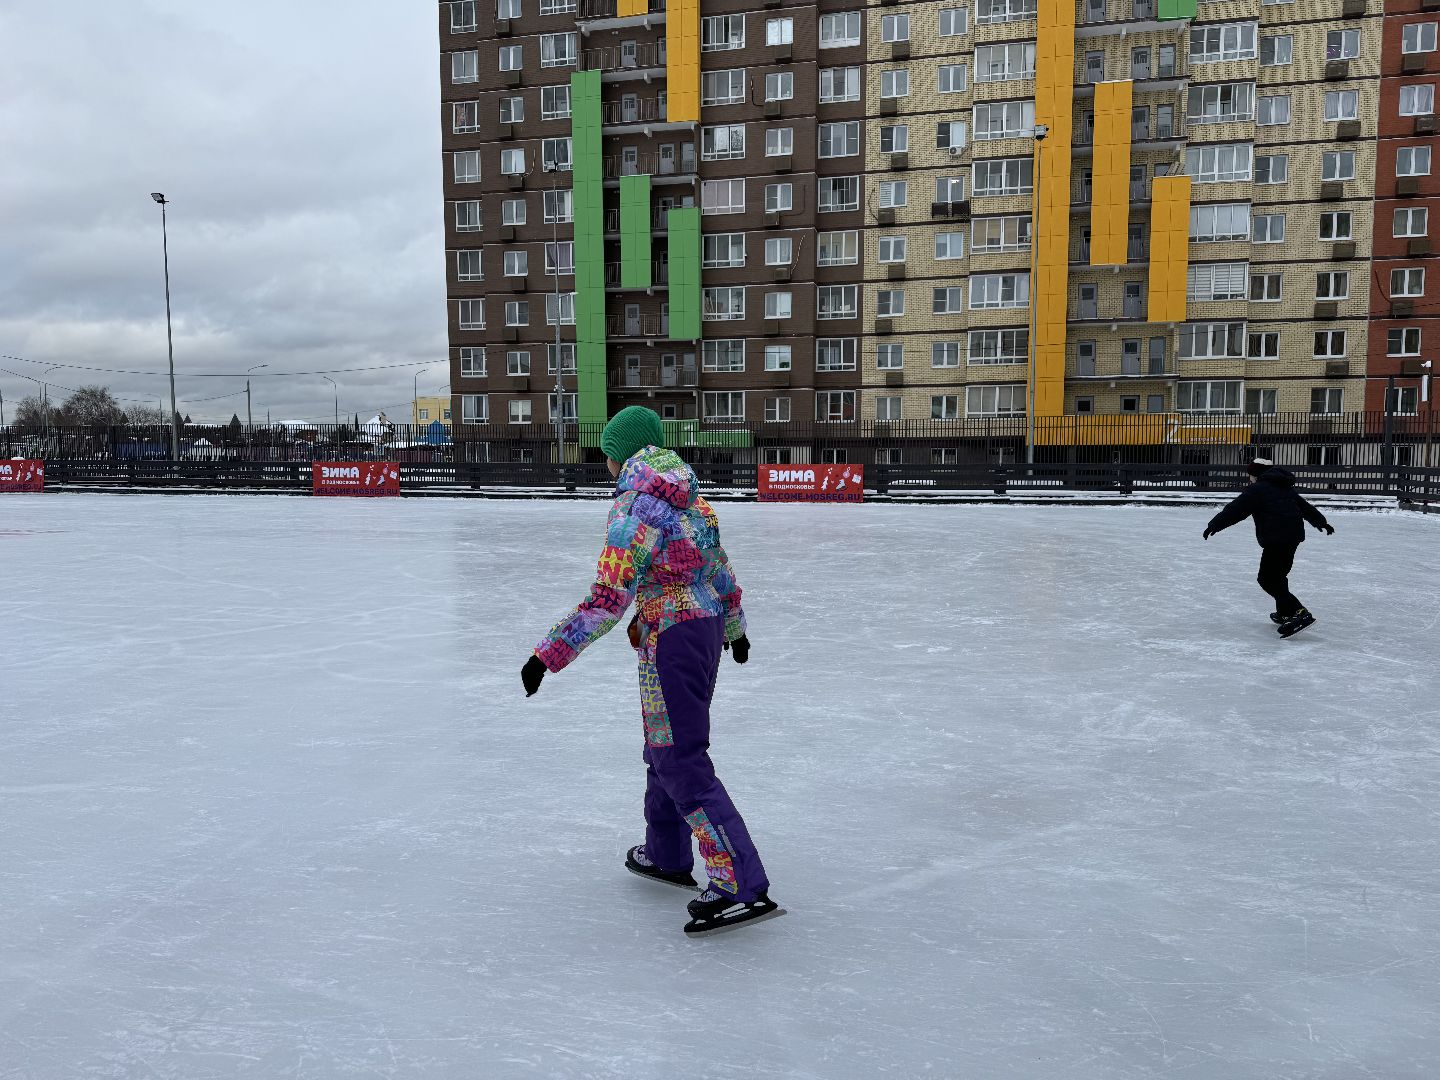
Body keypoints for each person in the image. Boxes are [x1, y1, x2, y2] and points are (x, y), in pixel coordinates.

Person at [520, 406, 782, 935]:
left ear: (623, 452)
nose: (606, 463)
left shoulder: (635, 508)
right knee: (664, 747)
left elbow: (607, 600)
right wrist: (735, 628)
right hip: (702, 631)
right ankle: (666, 853)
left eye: (608, 453)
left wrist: (546, 655)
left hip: (672, 638)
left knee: (680, 757)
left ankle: (740, 883)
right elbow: (720, 569)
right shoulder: (690, 498)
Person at [1203, 457, 1335, 637]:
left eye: (1250, 475)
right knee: (1278, 577)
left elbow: (1236, 510)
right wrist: (1321, 522)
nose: (1249, 478)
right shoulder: (1284, 486)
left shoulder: (1257, 490)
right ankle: (1285, 612)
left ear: (1256, 474)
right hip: (1292, 537)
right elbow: (1305, 507)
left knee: (1267, 579)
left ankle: (1299, 612)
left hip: (1276, 539)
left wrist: (1214, 525)